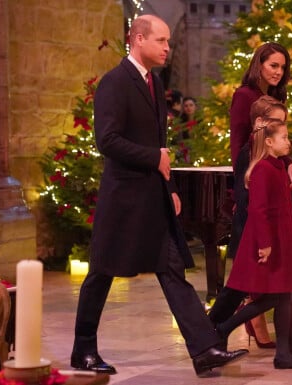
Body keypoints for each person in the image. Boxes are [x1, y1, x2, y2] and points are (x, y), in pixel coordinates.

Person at [70, 14, 247, 377]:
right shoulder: (115, 83)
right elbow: (107, 140)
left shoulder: (153, 81)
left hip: (153, 196)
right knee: (101, 272)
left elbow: (160, 145)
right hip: (122, 199)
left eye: (169, 41)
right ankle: (83, 350)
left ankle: (204, 349)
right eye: (161, 41)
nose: (168, 48)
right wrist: (155, 160)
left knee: (172, 270)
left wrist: (169, 187)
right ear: (137, 39)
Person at [209, 95, 292, 356]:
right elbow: (252, 203)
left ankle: (288, 348)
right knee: (243, 289)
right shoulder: (253, 158)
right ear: (263, 125)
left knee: (281, 292)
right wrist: (263, 240)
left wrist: (289, 163)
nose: (285, 134)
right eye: (279, 125)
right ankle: (214, 328)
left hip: (273, 234)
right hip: (256, 232)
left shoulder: (275, 158)